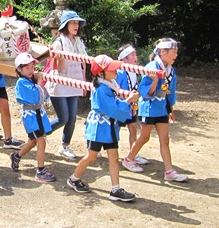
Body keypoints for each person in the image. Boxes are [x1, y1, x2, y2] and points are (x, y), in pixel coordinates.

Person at [67, 55, 139, 201]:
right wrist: (128, 101)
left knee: (114, 157)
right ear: (100, 73)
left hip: (109, 126)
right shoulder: (102, 89)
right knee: (91, 157)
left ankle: (115, 189)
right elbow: (112, 109)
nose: (115, 71)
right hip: (99, 127)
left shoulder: (109, 85)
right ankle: (74, 179)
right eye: (111, 69)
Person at [122, 38, 188, 182]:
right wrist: (155, 82)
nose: (176, 55)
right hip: (149, 108)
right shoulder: (151, 66)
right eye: (174, 52)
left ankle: (169, 171)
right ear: (163, 52)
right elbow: (144, 93)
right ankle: (129, 159)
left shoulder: (171, 70)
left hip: (162, 108)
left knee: (165, 140)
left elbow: (171, 90)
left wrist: (171, 109)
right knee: (144, 137)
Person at [47, 10, 87, 159]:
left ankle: (65, 145)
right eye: (73, 23)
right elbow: (58, 67)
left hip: (75, 82)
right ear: (66, 25)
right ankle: (41, 133)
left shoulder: (79, 42)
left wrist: (83, 83)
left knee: (72, 118)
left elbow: (83, 63)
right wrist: (58, 56)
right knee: (63, 118)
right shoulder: (59, 42)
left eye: (77, 23)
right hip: (60, 83)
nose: (76, 26)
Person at [9, 53, 56, 183]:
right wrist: (39, 81)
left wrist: (38, 81)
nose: (31, 70)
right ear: (19, 69)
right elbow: (37, 96)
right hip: (31, 117)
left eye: (32, 67)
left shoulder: (30, 80)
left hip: (37, 114)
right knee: (41, 141)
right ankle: (40, 170)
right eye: (27, 68)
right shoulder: (22, 82)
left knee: (33, 141)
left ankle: (16, 156)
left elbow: (44, 97)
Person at [115, 44, 148, 165]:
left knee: (133, 128)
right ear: (124, 59)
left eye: (135, 54)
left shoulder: (135, 71)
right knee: (115, 129)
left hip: (132, 106)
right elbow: (115, 89)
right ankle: (112, 152)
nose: (136, 57)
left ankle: (133, 153)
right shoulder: (120, 72)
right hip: (121, 105)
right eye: (132, 55)